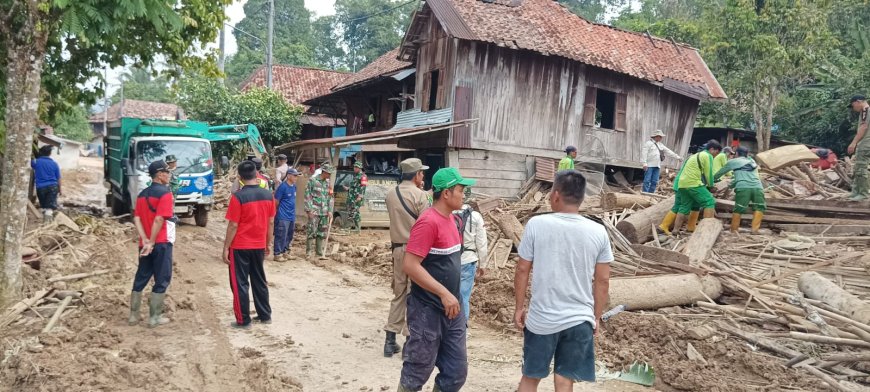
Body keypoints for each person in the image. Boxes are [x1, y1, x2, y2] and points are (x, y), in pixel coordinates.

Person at [513, 170, 612, 392]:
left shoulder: (536, 224)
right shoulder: (598, 231)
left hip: (541, 319)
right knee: (565, 380)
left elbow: (522, 269)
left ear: (556, 195)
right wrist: (595, 316)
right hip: (579, 320)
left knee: (530, 377)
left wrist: (519, 307)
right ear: (581, 197)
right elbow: (603, 280)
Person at [397, 167, 475, 392]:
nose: (464, 194)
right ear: (447, 193)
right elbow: (410, 265)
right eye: (461, 189)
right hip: (427, 309)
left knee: (456, 372)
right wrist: (443, 293)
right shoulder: (428, 222)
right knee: (416, 371)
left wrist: (452, 297)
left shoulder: (453, 220)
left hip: (452, 309)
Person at [383, 158, 430, 358]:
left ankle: (389, 341)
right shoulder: (420, 196)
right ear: (417, 174)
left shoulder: (390, 194)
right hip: (416, 252)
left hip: (397, 250)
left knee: (399, 293)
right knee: (415, 297)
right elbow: (426, 225)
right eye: (422, 173)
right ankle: (410, 343)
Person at [223, 160, 276, 328]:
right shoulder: (268, 195)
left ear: (239, 177)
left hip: (240, 246)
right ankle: (265, 315)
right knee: (259, 280)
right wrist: (267, 244)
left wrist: (226, 247)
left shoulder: (238, 197)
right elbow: (271, 223)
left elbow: (233, 225)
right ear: (256, 174)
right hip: (259, 245)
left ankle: (243, 320)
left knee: (240, 283)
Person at [129, 160, 175, 328]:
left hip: (145, 243)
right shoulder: (165, 194)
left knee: (142, 275)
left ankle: (133, 316)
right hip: (161, 242)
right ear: (160, 174)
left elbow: (137, 218)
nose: (169, 176)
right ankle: (154, 317)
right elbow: (159, 219)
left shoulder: (142, 194)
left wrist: (146, 240)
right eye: (167, 173)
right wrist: (153, 241)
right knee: (162, 278)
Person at [659, 140, 722, 235]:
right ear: (712, 149)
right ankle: (706, 231)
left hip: (682, 184)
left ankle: (679, 229)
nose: (715, 156)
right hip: (693, 183)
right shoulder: (707, 156)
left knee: (688, 206)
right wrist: (711, 186)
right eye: (716, 153)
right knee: (709, 201)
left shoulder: (694, 155)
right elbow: (708, 173)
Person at [454, 196, 488, 327]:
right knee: (464, 297)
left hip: (451, 260)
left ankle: (448, 328)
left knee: (448, 294)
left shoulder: (449, 214)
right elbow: (482, 243)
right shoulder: (476, 217)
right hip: (468, 260)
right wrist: (483, 264)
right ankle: (462, 328)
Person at [715, 146, 766, 234]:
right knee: (759, 207)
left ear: (737, 153)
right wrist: (732, 185)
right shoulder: (752, 161)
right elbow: (745, 175)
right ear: (747, 154)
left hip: (743, 187)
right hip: (758, 187)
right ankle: (755, 230)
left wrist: (710, 181)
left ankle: (734, 230)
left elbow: (718, 174)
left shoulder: (732, 162)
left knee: (739, 208)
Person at [304, 163, 334, 258]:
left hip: (324, 212)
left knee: (321, 232)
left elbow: (330, 197)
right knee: (311, 231)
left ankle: (319, 252)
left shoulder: (328, 183)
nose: (329, 175)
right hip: (314, 211)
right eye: (328, 173)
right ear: (324, 172)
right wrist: (309, 210)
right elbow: (307, 196)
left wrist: (330, 210)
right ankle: (308, 252)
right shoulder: (312, 181)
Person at [274, 168, 302, 262]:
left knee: (289, 235)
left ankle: (285, 252)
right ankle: (277, 254)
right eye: (294, 175)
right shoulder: (282, 187)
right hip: (283, 215)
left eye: (297, 176)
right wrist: (277, 212)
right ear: (289, 175)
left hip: (291, 216)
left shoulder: (294, 186)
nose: (296, 177)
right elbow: (276, 201)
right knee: (281, 234)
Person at [31, 145, 62, 223]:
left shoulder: (36, 162)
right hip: (53, 187)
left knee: (44, 206)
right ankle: (47, 225)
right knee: (49, 207)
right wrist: (60, 190)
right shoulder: (54, 164)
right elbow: (59, 178)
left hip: (41, 188)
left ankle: (46, 222)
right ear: (50, 153)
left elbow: (30, 163)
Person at [848, 95, 870, 201]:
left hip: (865, 144)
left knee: (861, 168)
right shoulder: (864, 111)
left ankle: (863, 194)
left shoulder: (866, 110)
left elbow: (864, 127)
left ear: (858, 102)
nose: (853, 108)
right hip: (865, 143)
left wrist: (854, 143)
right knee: (858, 168)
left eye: (853, 105)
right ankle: (856, 192)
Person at [347, 161, 368, 233]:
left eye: (356, 167)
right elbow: (355, 186)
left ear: (360, 168)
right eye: (354, 167)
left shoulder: (363, 176)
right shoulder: (356, 176)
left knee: (355, 212)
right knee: (351, 212)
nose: (354, 168)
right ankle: (352, 227)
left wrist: (360, 196)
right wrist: (348, 188)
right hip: (352, 197)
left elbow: (363, 187)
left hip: (357, 198)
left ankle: (358, 229)